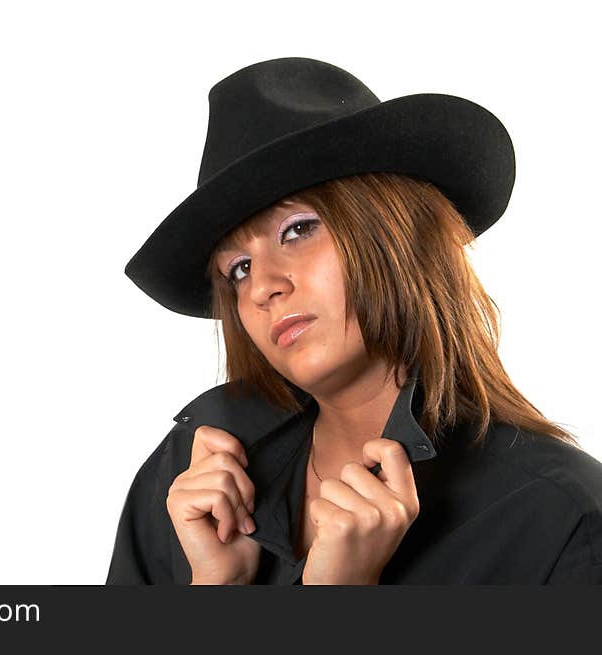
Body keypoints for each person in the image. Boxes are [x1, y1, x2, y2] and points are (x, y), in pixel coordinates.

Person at [105, 57, 602, 585]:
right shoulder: (188, 480)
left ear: (399, 234)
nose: (264, 286)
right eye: (239, 269)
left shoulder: (559, 520)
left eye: (298, 230)